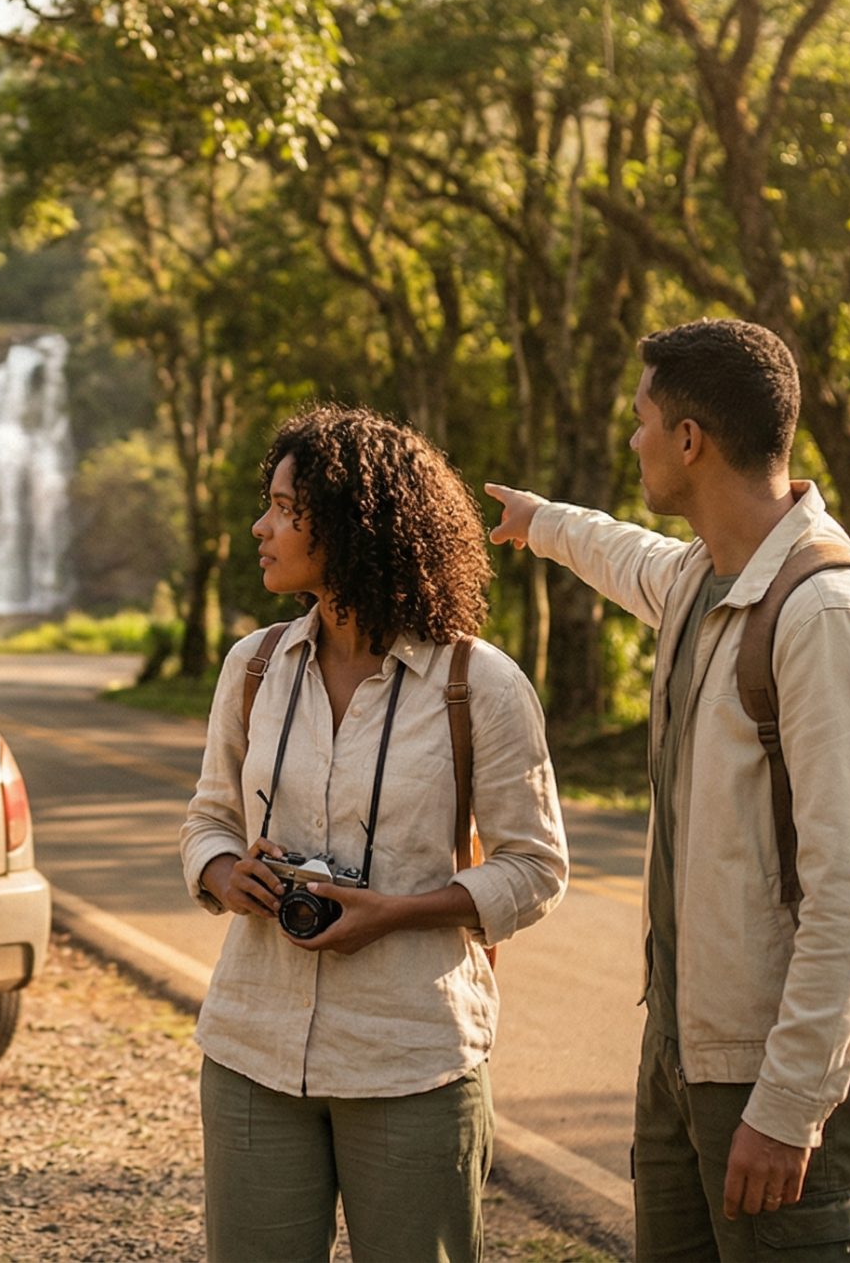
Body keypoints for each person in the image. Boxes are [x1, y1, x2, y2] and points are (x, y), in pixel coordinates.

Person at [487, 318, 850, 1261]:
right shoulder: (703, 578)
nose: (633, 440)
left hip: (782, 1075)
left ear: (690, 440)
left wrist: (792, 1104)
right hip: (685, 1055)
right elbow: (625, 555)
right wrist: (540, 522)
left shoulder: (830, 617)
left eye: (642, 420)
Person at [183, 404, 568, 1263]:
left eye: (286, 508)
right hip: (252, 1046)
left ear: (355, 524)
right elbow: (209, 818)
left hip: (412, 1059)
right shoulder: (252, 667)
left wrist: (396, 911)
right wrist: (222, 874)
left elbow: (536, 867)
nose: (262, 526)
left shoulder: (480, 685)